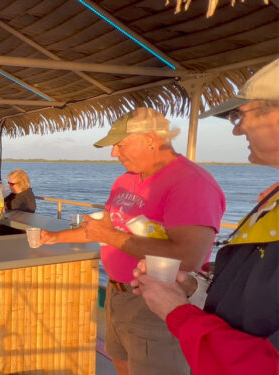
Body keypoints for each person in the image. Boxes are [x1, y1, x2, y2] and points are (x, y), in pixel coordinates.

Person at [39, 107, 226, 375]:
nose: (114, 153)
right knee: (122, 364)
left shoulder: (190, 183)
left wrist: (111, 236)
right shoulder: (125, 181)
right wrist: (54, 238)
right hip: (118, 294)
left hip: (159, 302)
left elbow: (187, 258)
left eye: (119, 144)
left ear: (151, 139)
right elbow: (103, 229)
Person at [131, 59, 279, 375]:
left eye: (241, 115)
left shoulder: (191, 181)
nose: (238, 129)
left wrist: (177, 312)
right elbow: (257, 305)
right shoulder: (271, 203)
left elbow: (263, 365)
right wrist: (194, 291)